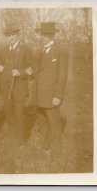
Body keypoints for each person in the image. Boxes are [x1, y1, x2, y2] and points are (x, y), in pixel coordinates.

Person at [30, 22, 68, 157]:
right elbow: (36, 70)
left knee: (54, 124)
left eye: (47, 34)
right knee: (43, 122)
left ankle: (56, 152)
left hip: (52, 95)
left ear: (53, 35)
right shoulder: (39, 51)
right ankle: (46, 145)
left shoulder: (60, 51)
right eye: (43, 34)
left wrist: (58, 95)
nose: (44, 37)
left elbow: (63, 75)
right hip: (39, 95)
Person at [0, 27, 33, 145]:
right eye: (8, 36)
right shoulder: (4, 50)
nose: (10, 38)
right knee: (8, 111)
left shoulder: (25, 49)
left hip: (20, 87)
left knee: (19, 112)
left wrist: (20, 72)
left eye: (12, 35)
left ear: (17, 35)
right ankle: (13, 133)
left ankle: (22, 138)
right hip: (6, 87)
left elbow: (32, 69)